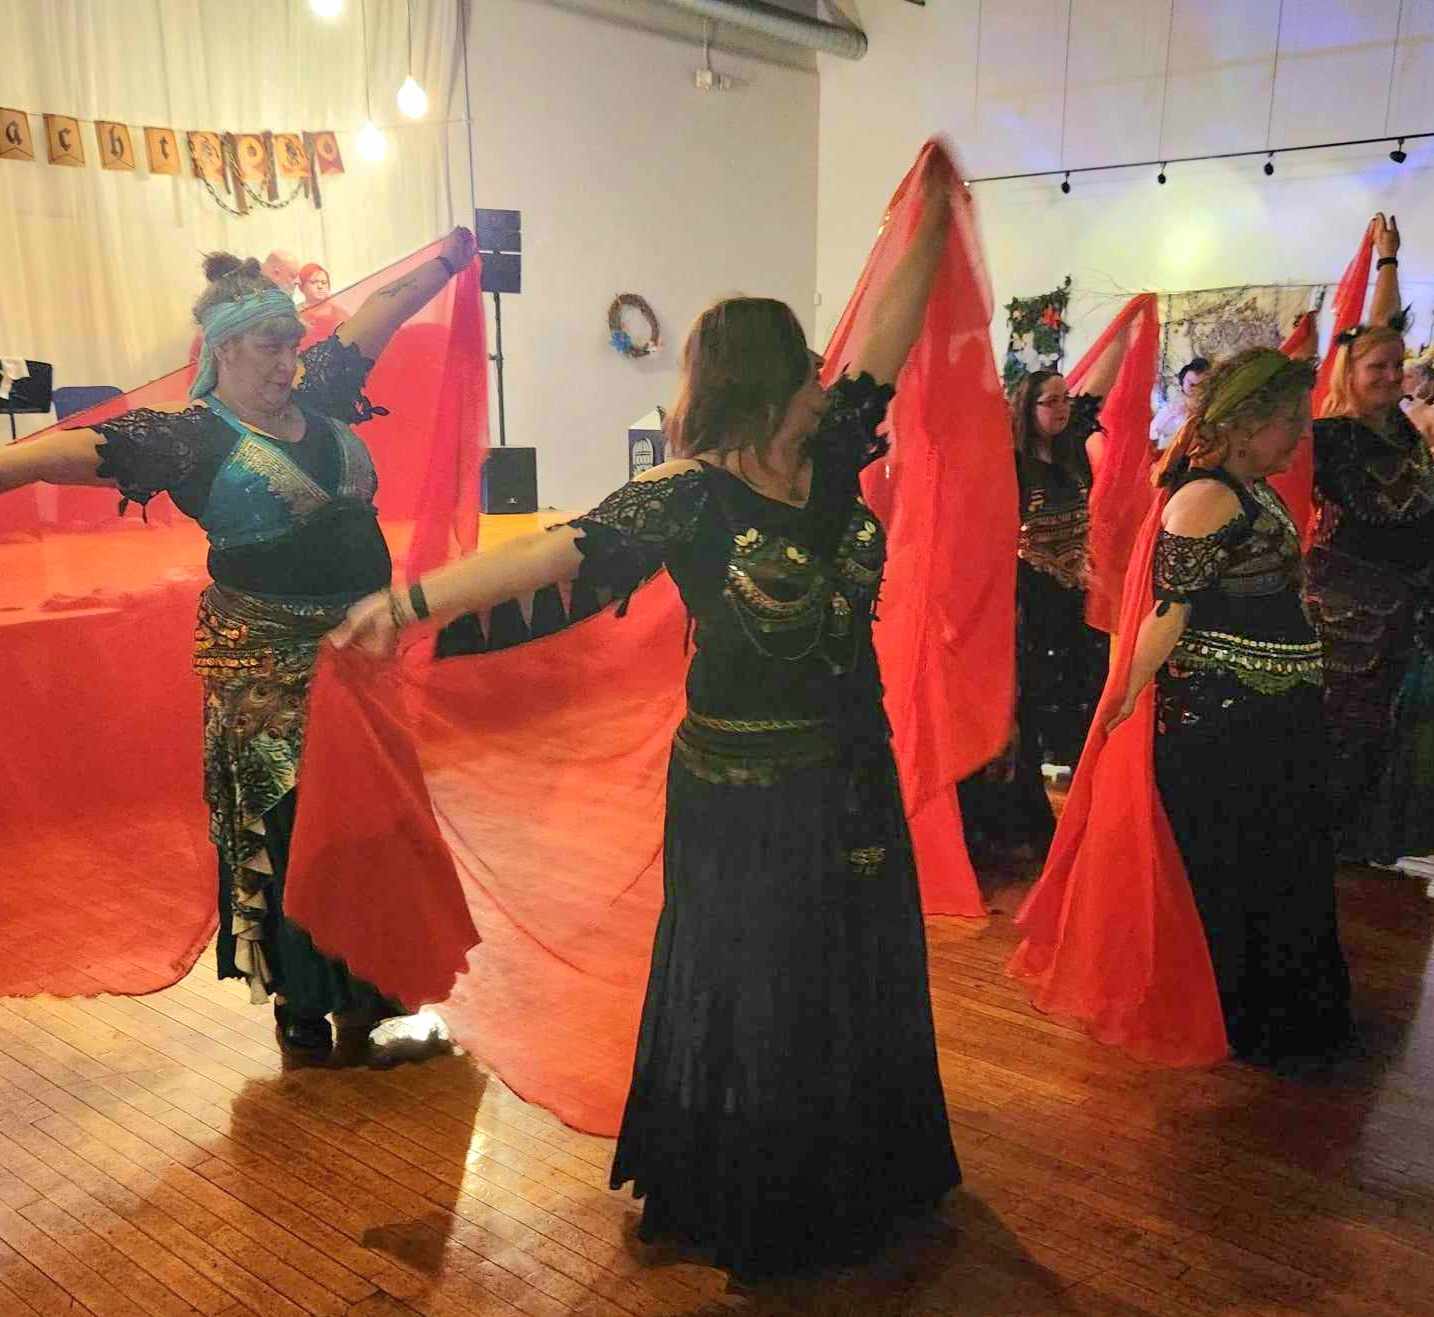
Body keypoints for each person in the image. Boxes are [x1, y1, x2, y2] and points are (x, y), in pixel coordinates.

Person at [333, 165, 961, 1278]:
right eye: (807, 369)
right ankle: (757, 1186)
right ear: (768, 384)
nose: (827, 381)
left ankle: (863, 1166)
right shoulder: (688, 494)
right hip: (744, 789)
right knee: (761, 980)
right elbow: (557, 550)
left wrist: (933, 220)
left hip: (853, 766)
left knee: (852, 961)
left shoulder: (829, 460)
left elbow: (890, 337)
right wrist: (407, 603)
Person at [0, 227, 479, 1060]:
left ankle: (369, 1002)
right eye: (269, 347)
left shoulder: (323, 391)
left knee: (375, 827)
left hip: (362, 662)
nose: (288, 362)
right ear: (222, 350)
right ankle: (303, 1007)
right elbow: (58, 454)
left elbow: (383, 308)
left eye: (293, 344)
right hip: (266, 672)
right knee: (293, 829)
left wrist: (449, 257)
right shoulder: (193, 437)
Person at [1020, 348, 1351, 1068]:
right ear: (1247, 422)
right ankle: (1239, 1008)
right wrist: (1125, 696)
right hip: (1228, 717)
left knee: (1276, 850)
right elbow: (1170, 611)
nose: (1301, 436)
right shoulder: (1205, 498)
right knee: (1241, 858)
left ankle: (1272, 1004)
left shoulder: (1251, 487)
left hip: (1270, 710)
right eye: (1290, 421)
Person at [957, 334, 1130, 868]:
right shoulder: (1008, 464)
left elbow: (1096, 394)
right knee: (1023, 710)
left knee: (1075, 701)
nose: (1061, 409)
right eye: (1049, 401)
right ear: (1026, 409)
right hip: (1025, 601)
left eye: (1064, 400)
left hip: (1071, 600)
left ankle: (1081, 819)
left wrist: (1130, 327)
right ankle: (1016, 825)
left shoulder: (1072, 451)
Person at [1305, 213, 1434, 862]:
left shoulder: (1402, 429)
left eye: (1397, 366)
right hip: (1348, 613)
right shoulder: (1332, 436)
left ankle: (1363, 840)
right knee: (1344, 725)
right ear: (1349, 374)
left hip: (1404, 604)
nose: (1390, 374)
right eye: (1376, 368)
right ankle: (1323, 842)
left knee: (1385, 725)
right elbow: (1366, 340)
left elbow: (1379, 331)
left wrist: (1388, 260)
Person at [1150, 356, 1209, 451]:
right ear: (1183, 381)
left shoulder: (1206, 406)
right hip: (1169, 448)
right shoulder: (1175, 406)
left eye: (1200, 385)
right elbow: (1155, 428)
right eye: (1191, 384)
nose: (1195, 388)